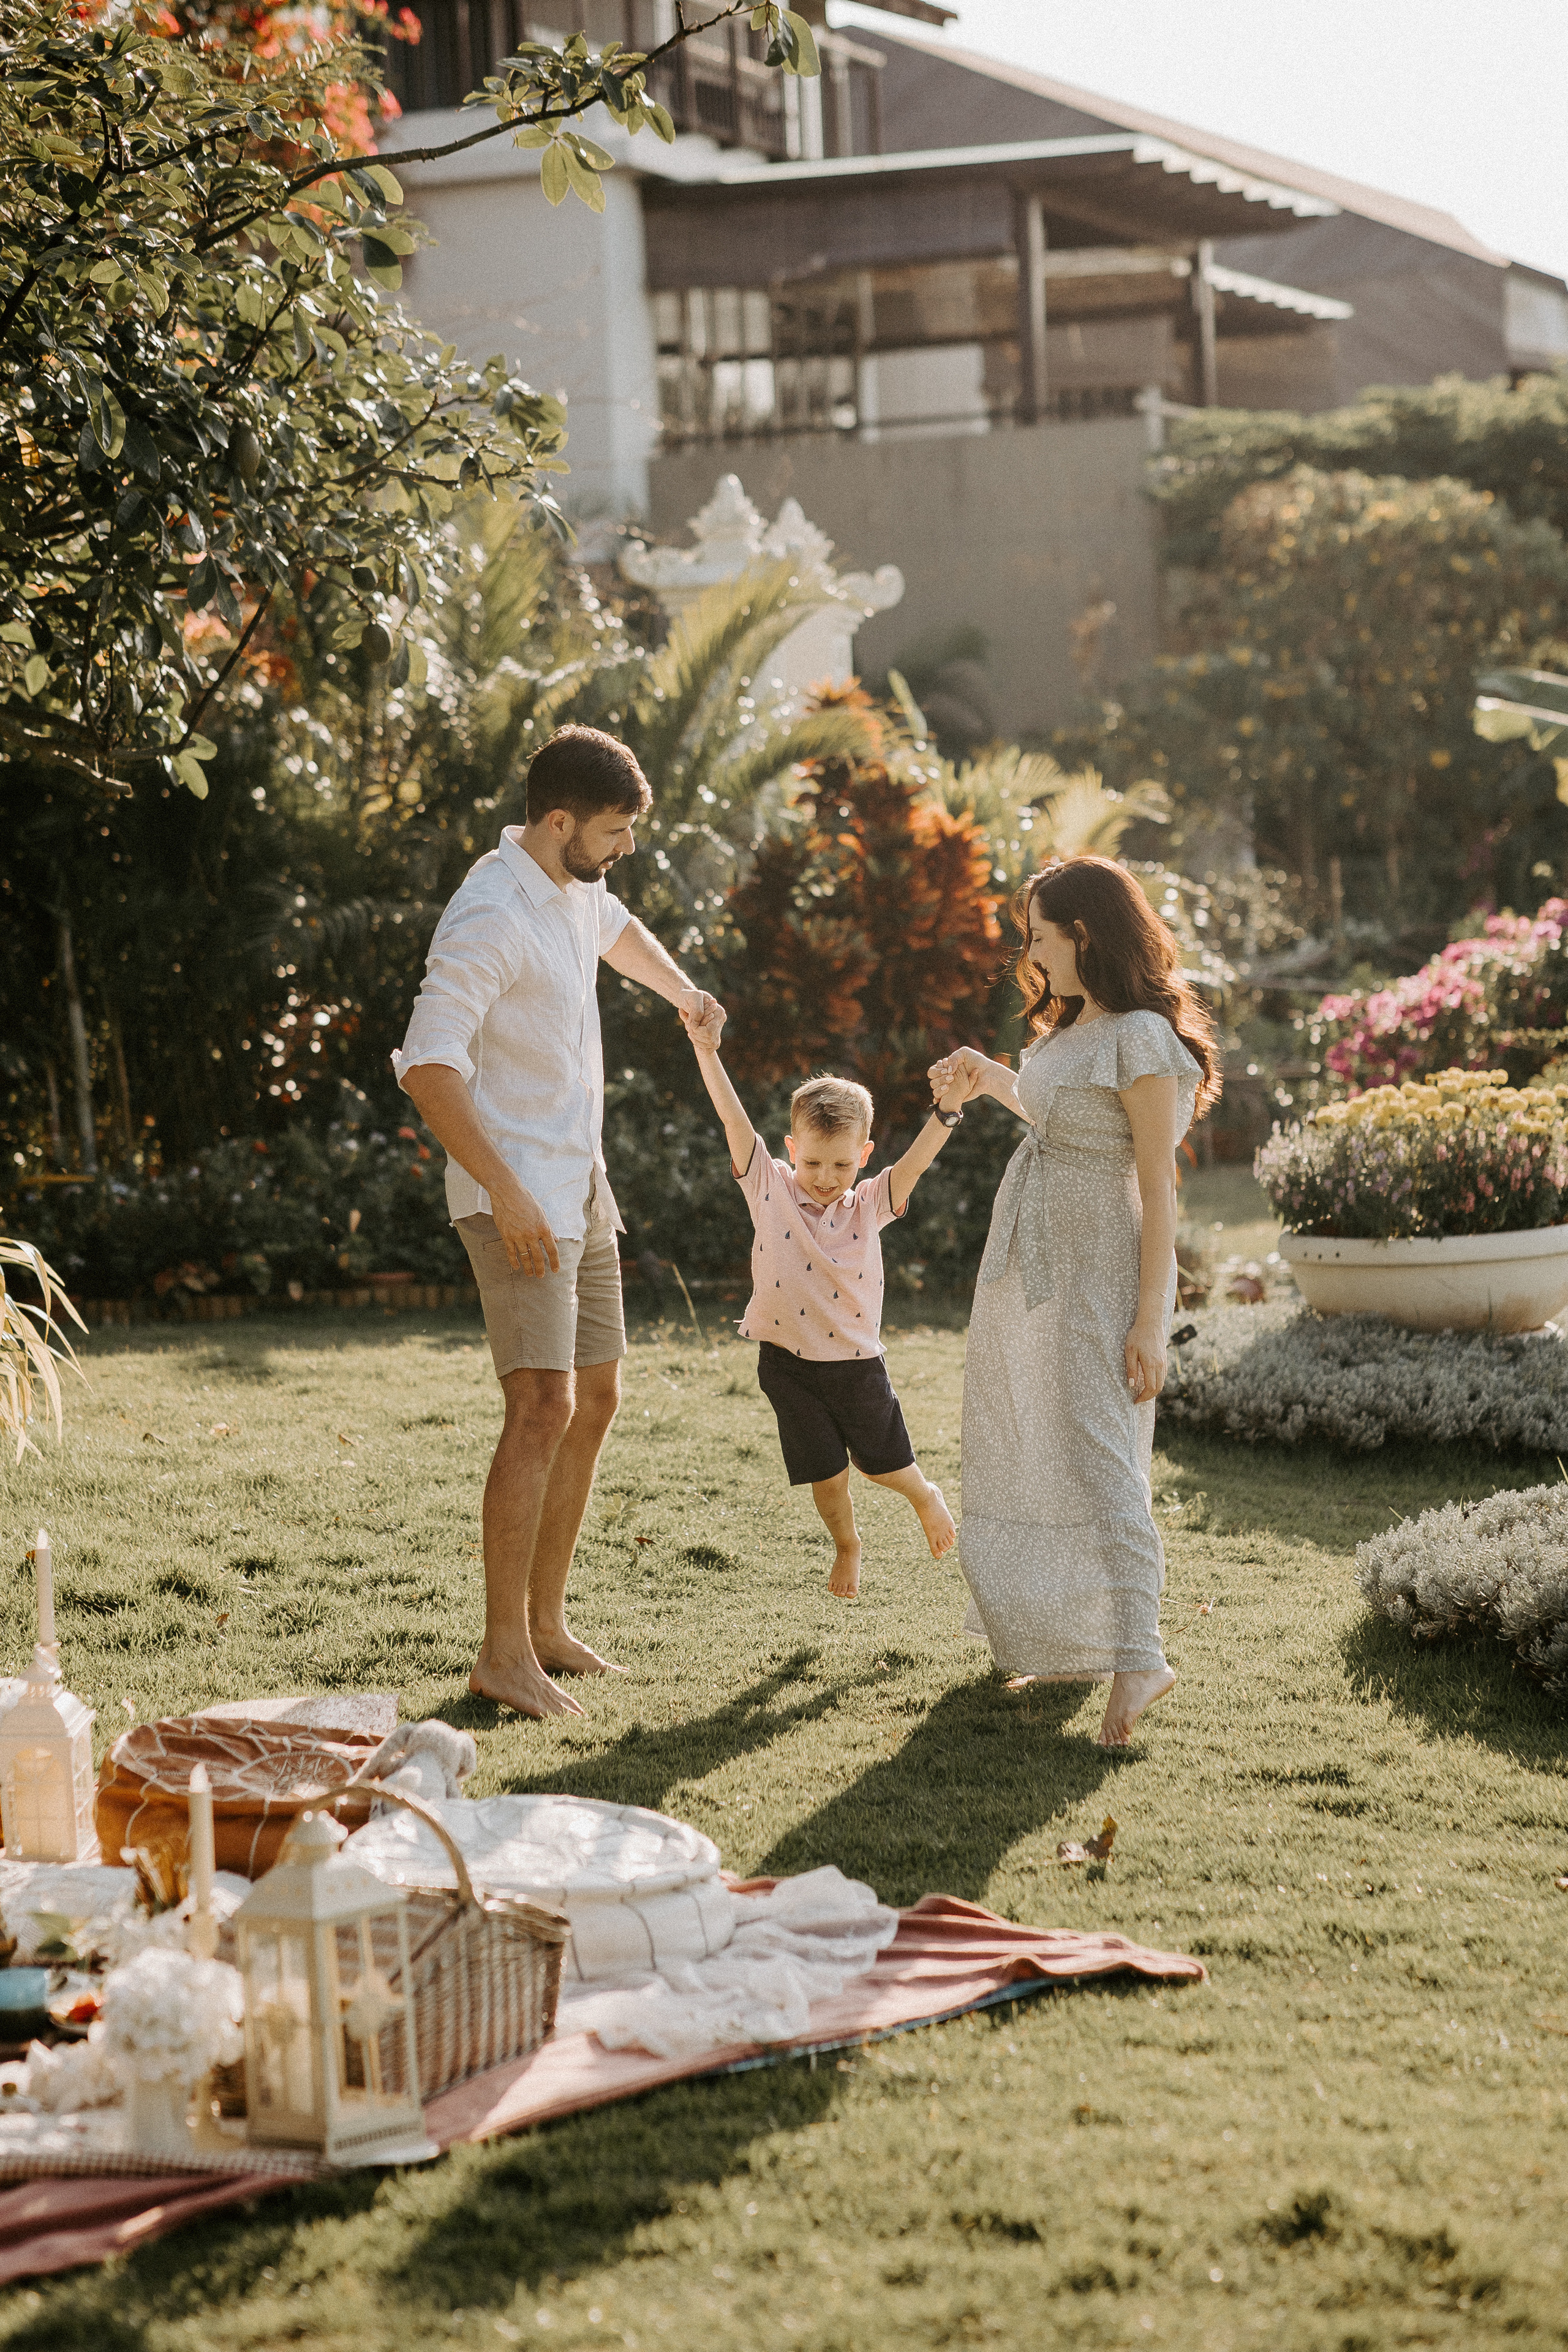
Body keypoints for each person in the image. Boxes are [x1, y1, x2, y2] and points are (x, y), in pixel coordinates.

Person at [394, 725, 722, 1721]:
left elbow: (615, 928)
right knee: (540, 1405)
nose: (623, 850)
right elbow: (428, 1065)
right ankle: (500, 1654)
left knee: (596, 1396)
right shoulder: (490, 913)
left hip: (580, 1175)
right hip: (517, 1192)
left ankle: (544, 1626)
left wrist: (683, 993)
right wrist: (504, 1189)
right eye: (615, 832)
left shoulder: (572, 888)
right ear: (558, 820)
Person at [928, 855, 1219, 1747]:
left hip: (1100, 1270)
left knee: (1100, 1457)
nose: (1031, 952)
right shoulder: (1072, 1029)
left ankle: (1141, 1654)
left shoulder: (1142, 1038)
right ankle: (1064, 1635)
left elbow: (1157, 1189)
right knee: (1036, 1435)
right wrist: (990, 1074)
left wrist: (1149, 1320)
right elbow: (1061, 1123)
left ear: (1084, 932)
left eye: (1041, 934)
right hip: (1034, 1268)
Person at [682, 1001, 971, 1596]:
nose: (824, 1176)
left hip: (855, 1365)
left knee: (880, 1464)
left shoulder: (867, 1205)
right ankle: (847, 1545)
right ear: (791, 1149)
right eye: (812, 1161)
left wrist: (946, 1113)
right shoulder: (769, 1188)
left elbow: (914, 1165)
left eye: (841, 1164)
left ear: (862, 1157)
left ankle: (925, 1494)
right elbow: (734, 1120)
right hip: (787, 1364)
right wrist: (707, 1053)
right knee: (826, 1474)